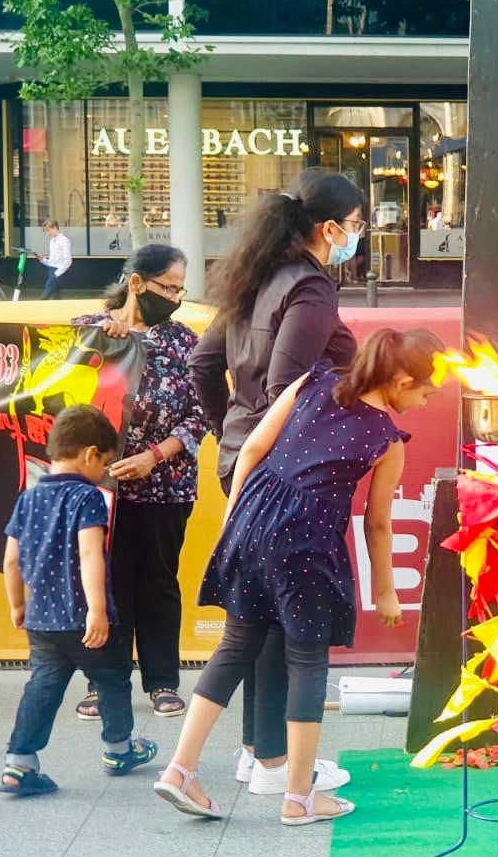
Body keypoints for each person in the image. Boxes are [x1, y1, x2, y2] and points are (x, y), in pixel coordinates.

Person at [155, 329, 441, 821]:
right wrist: (386, 591)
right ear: (400, 380)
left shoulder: (311, 381)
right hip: (307, 543)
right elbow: (377, 524)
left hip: (252, 519)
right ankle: (299, 796)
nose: (423, 403)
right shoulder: (386, 439)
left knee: (235, 646)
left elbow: (250, 450)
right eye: (425, 393)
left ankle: (180, 770)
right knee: (307, 662)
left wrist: (233, 522)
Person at [190, 170, 365, 796]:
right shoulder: (311, 288)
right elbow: (286, 389)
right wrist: (267, 452)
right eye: (357, 224)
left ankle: (256, 753)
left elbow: (204, 364)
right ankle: (272, 762)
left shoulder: (257, 275)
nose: (360, 235)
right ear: (329, 228)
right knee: (280, 619)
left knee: (256, 611)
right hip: (284, 473)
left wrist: (231, 436)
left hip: (245, 460)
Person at [70, 245, 208, 722]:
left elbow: (201, 414)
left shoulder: (184, 342)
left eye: (180, 290)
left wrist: (155, 456)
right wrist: (100, 338)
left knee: (157, 582)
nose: (175, 298)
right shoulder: (88, 329)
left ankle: (162, 681)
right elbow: (58, 396)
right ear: (136, 283)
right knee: (104, 583)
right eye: (168, 288)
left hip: (165, 484)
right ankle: (102, 683)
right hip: (100, 489)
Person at [0, 405, 158, 797]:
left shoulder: (27, 498)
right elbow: (90, 554)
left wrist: (17, 605)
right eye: (104, 462)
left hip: (42, 620)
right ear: (90, 454)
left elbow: (11, 560)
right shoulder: (87, 497)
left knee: (42, 686)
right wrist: (98, 611)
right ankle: (118, 750)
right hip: (85, 619)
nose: (104, 471)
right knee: (112, 680)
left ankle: (19, 762)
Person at [39, 218, 73, 299]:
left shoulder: (64, 241)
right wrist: (42, 260)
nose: (47, 234)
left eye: (48, 231)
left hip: (58, 272)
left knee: (44, 297)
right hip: (51, 270)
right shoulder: (52, 241)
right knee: (56, 297)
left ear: (54, 228)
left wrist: (57, 273)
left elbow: (68, 261)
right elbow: (52, 261)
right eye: (46, 232)